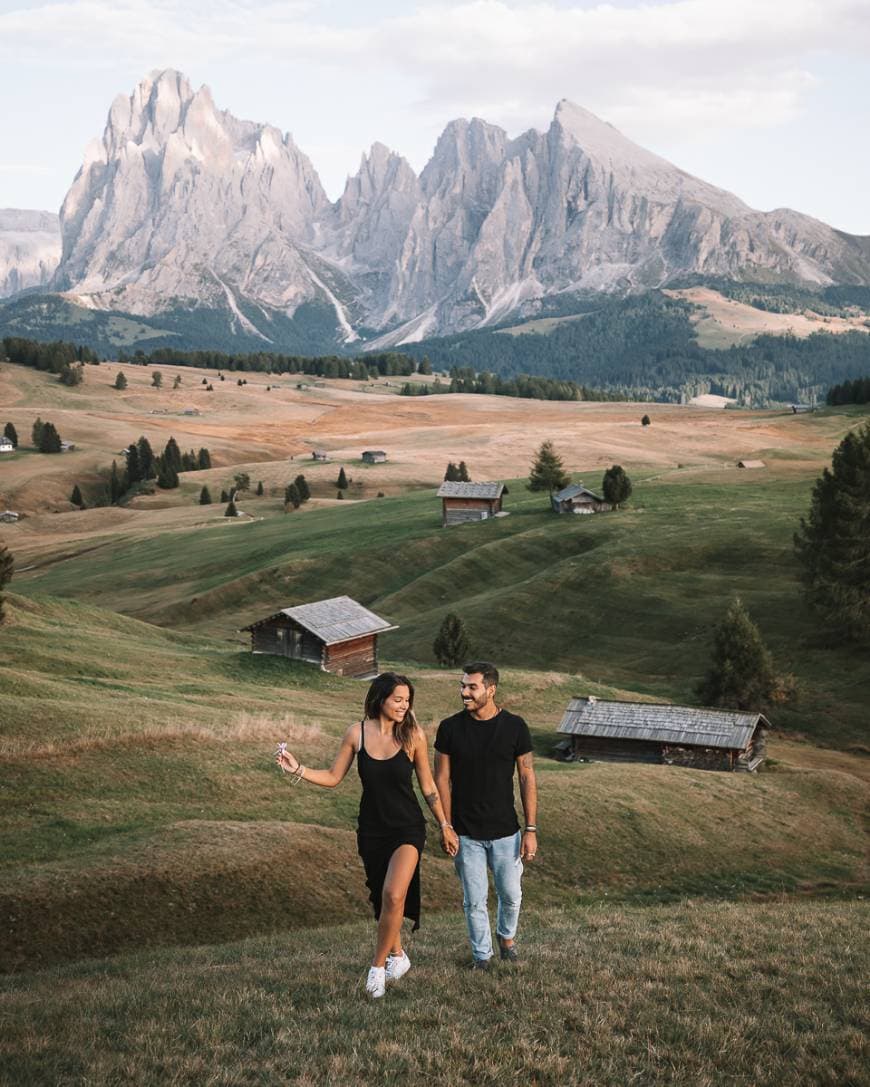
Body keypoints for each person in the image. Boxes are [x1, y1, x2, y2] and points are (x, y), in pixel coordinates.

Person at [275, 672, 459, 998]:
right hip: (372, 831)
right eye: (398, 699)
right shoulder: (356, 733)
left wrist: (444, 825)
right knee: (383, 897)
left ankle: (377, 969)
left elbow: (429, 787)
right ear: (380, 699)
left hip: (407, 828)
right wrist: (298, 769)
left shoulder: (413, 735)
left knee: (393, 895)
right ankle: (399, 956)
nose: (404, 705)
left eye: (407, 700)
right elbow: (334, 777)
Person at [434, 661, 537, 969]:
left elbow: (527, 776)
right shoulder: (450, 728)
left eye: (471, 687)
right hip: (466, 834)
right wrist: (446, 826)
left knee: (511, 895)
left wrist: (530, 829)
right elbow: (441, 779)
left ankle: (506, 940)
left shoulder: (515, 726)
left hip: (507, 831)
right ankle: (483, 957)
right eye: (462, 686)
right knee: (474, 900)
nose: (464, 692)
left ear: (491, 690)